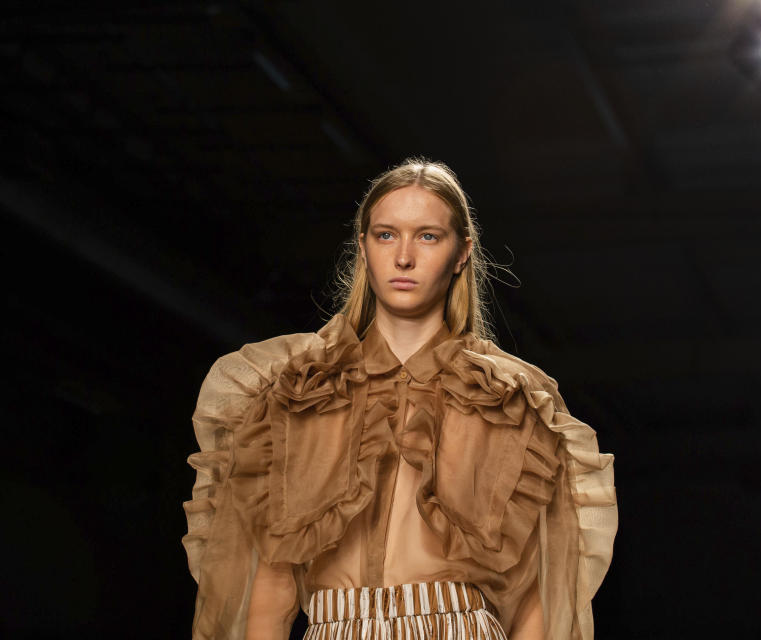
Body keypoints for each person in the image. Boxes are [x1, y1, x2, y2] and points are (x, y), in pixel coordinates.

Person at [182, 158, 617, 640]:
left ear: (462, 253)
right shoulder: (302, 393)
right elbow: (269, 587)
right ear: (363, 248)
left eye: (427, 236)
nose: (404, 257)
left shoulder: (505, 400)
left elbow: (533, 592)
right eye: (386, 235)